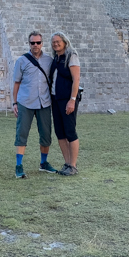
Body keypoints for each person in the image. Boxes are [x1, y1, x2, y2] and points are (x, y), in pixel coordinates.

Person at [12, 31, 59, 178]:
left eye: (38, 42)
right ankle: (19, 166)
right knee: (22, 133)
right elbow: (16, 83)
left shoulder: (49, 60)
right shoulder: (22, 61)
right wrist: (14, 102)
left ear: (42, 43)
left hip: (44, 102)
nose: (35, 45)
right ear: (29, 44)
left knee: (46, 134)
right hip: (25, 102)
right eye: (33, 43)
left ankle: (43, 163)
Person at [49, 31, 81, 175]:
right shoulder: (56, 58)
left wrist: (72, 100)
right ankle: (67, 163)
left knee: (70, 131)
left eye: (58, 41)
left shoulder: (71, 56)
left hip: (68, 99)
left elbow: (76, 80)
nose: (56, 44)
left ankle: (73, 165)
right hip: (56, 99)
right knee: (60, 133)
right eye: (53, 42)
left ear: (64, 42)